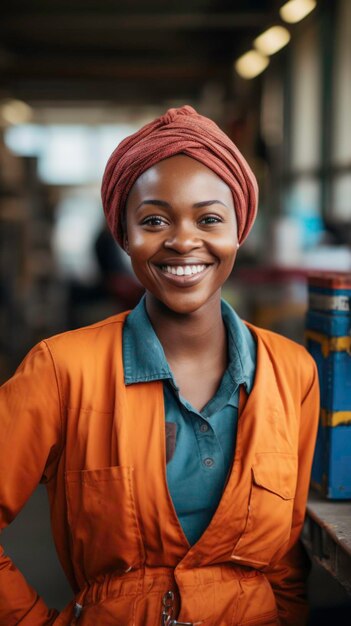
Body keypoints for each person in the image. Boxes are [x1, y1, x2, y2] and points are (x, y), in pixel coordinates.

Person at [0, 106, 319, 626]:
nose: (183, 240)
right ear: (122, 234)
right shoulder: (61, 371)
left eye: (210, 218)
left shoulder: (291, 372)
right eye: (153, 220)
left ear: (241, 230)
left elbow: (284, 559)